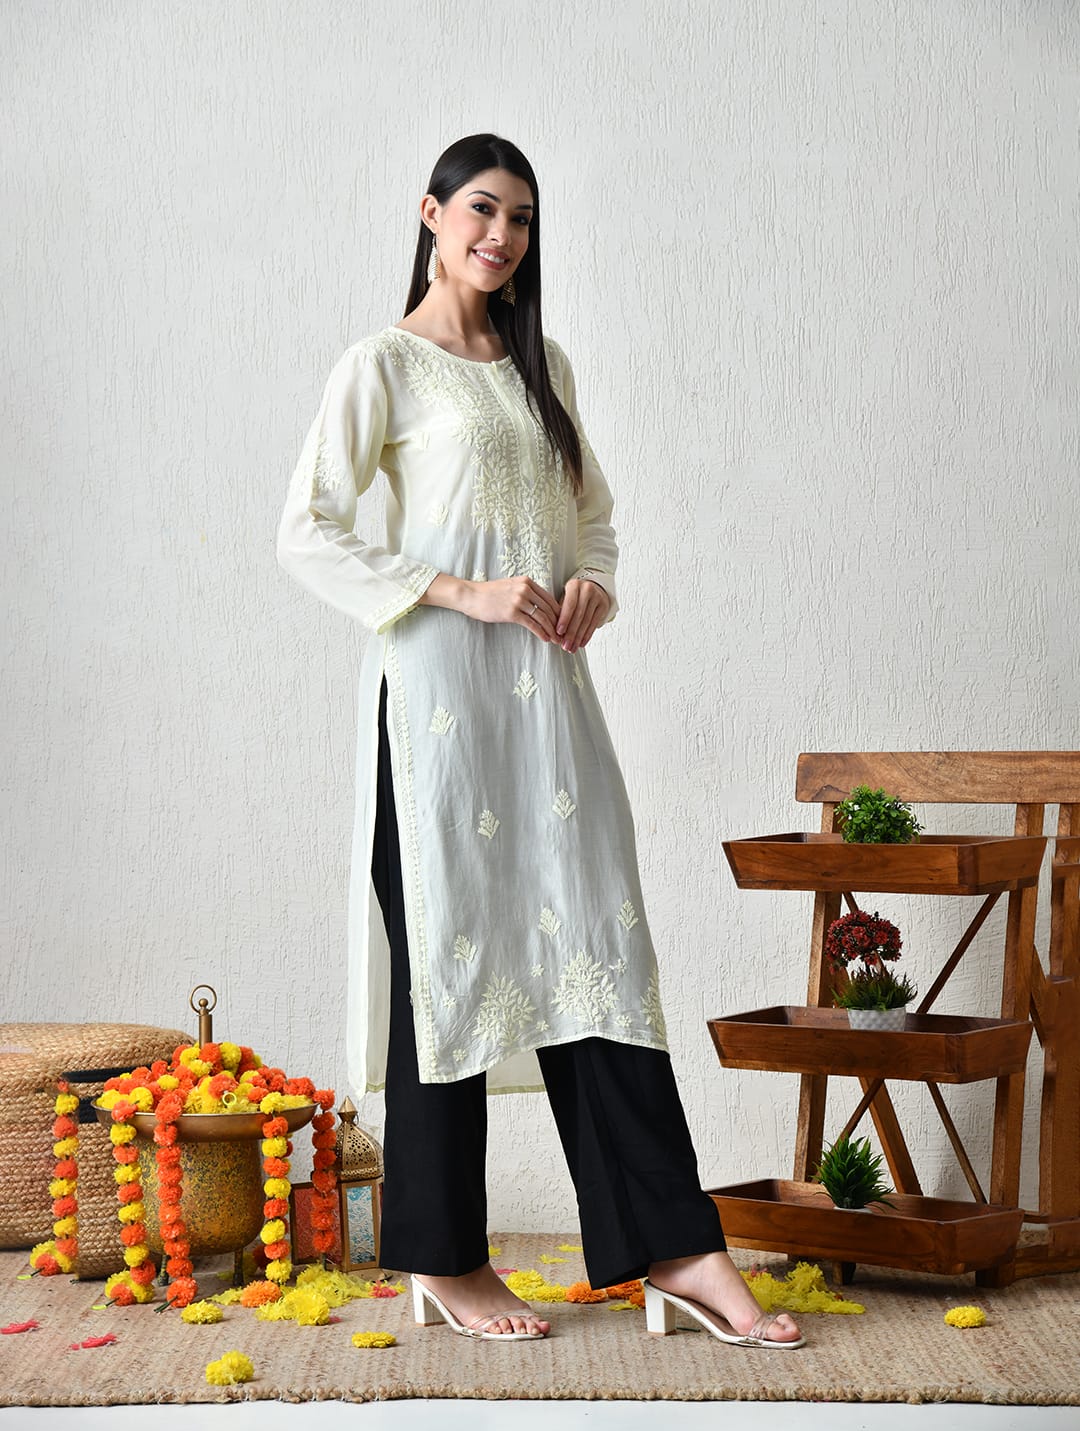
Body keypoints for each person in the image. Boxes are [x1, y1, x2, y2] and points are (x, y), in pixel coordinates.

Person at [277, 133, 803, 1349]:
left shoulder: (540, 366)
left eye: (520, 217)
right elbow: (305, 528)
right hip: (438, 714)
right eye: (480, 209)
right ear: (430, 214)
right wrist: (456, 590)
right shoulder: (382, 366)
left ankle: (677, 1247)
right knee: (447, 963)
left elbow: (593, 519)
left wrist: (595, 586)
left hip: (551, 710)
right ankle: (444, 1259)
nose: (501, 235)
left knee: (601, 956)